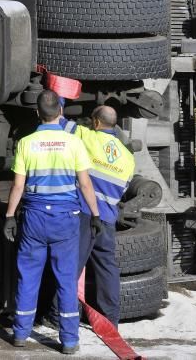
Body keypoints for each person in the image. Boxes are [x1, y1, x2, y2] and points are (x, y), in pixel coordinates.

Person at [3, 89, 101, 355]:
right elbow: (84, 183)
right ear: (60, 110)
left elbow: (18, 186)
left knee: (28, 275)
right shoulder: (74, 143)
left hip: (33, 218)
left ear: (37, 113)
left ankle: (21, 334)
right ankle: (69, 341)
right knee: (66, 279)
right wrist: (95, 214)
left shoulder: (26, 143)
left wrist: (10, 216)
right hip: (65, 219)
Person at [72, 105, 135, 327]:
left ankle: (62, 316)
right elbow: (124, 187)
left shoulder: (87, 136)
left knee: (72, 266)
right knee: (106, 267)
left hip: (85, 214)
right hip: (108, 219)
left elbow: (56, 122)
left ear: (96, 122)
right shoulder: (128, 157)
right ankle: (111, 320)